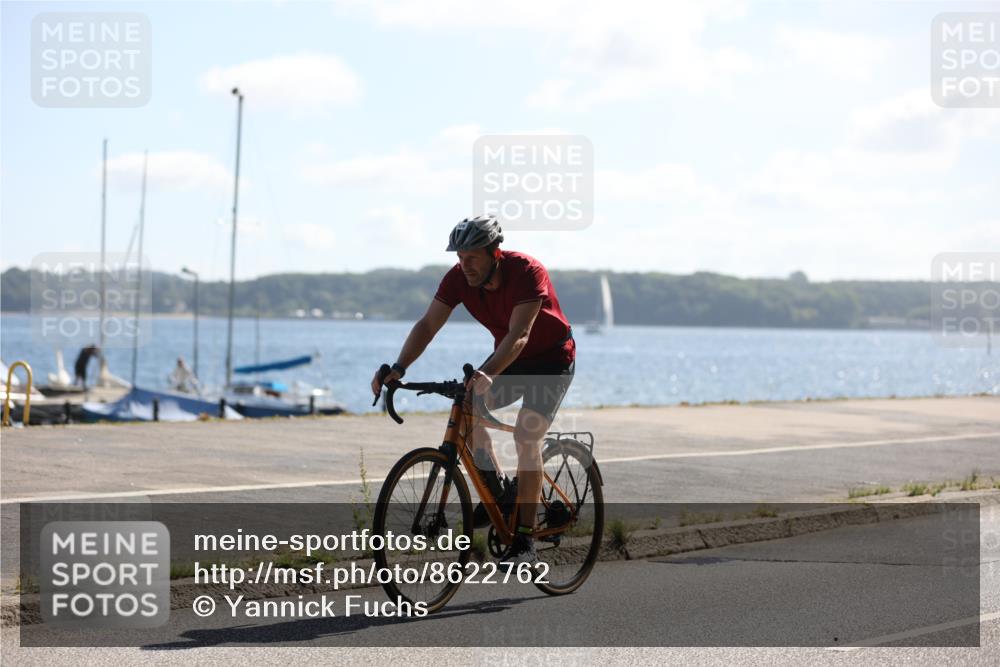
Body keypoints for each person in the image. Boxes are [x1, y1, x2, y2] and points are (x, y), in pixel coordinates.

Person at [371, 215, 575, 564]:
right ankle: (500, 492)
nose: (464, 265)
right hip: (509, 360)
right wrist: (399, 366)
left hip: (550, 361)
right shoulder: (458, 279)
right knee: (468, 407)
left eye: (472, 257)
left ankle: (525, 542)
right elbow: (428, 324)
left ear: (495, 252)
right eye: (459, 257)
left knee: (526, 437)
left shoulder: (526, 271)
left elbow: (520, 335)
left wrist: (489, 372)